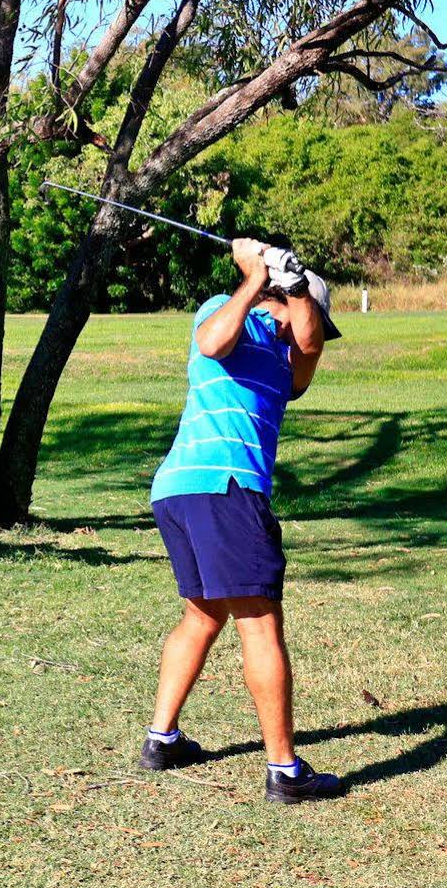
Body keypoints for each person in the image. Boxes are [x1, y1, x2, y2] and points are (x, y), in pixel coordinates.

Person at [136, 236, 344, 804]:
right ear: (268, 298)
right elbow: (211, 341)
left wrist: (291, 281)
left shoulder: (291, 363)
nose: (306, 326)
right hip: (220, 490)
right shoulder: (222, 311)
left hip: (185, 492)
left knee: (202, 615)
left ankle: (163, 739)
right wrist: (254, 277)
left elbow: (307, 341)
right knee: (260, 623)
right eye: (296, 304)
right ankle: (284, 771)